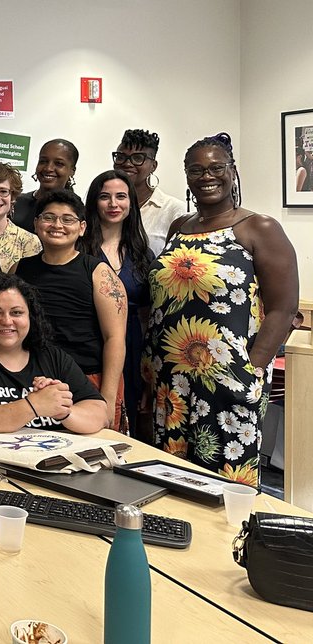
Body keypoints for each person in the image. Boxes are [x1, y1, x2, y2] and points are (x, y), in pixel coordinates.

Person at [145, 133, 299, 486]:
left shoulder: (259, 228)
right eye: (196, 170)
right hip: (171, 383)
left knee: (227, 487)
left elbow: (284, 309)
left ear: (233, 171)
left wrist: (250, 370)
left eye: (216, 168)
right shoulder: (178, 228)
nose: (206, 176)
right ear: (186, 177)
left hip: (229, 380)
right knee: (173, 481)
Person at [0, 273, 107, 435]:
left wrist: (62, 411)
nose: (7, 321)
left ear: (30, 317)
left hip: (55, 460)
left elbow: (99, 413)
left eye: (16, 312)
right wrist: (33, 406)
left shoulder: (53, 357)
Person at [15, 191, 127, 431]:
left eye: (67, 219)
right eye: (49, 217)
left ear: (82, 227)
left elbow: (115, 338)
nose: (57, 225)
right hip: (34, 384)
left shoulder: (99, 273)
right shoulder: (20, 269)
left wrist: (106, 399)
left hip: (88, 382)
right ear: (36, 224)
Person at [81, 170, 153, 437]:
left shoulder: (142, 253)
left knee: (124, 422)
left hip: (132, 346)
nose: (113, 204)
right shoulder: (79, 247)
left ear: (131, 203)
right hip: (87, 344)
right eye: (105, 197)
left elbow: (147, 314)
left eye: (121, 197)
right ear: (93, 202)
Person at [112, 129, 186, 256]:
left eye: (138, 158)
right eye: (121, 157)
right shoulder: (103, 204)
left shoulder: (174, 210)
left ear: (153, 166)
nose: (128, 163)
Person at [11, 139, 79, 230]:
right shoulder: (15, 203)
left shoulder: (78, 210)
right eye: (43, 161)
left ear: (72, 171)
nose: (48, 168)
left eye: (59, 163)